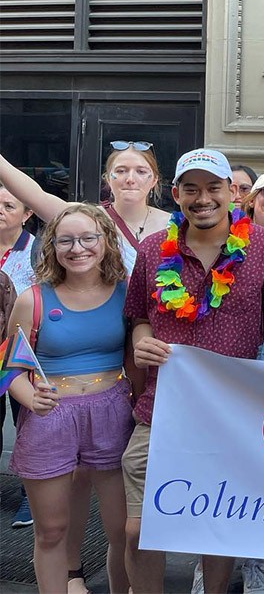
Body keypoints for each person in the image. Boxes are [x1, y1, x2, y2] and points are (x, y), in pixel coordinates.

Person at [123, 148, 264, 594]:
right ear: (175, 194)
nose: (203, 199)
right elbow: (139, 315)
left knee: (217, 523)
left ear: (232, 193)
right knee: (138, 531)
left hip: (235, 410)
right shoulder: (150, 250)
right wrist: (143, 339)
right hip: (163, 405)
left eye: (213, 188)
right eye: (192, 189)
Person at [7, 204, 132, 594]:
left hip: (113, 411)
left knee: (123, 530)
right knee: (51, 530)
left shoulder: (127, 293)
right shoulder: (33, 299)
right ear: (53, 247)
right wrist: (29, 397)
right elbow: (8, 366)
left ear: (105, 241)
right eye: (66, 240)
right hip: (51, 417)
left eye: (87, 238)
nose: (77, 248)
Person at [0, 141, 171, 274]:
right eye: (121, 171)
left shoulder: (175, 224)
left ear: (154, 180)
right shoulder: (88, 217)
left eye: (141, 171)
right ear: (108, 178)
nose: (130, 179)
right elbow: (36, 197)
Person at [0, 183, 35, 531]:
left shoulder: (37, 251)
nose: (0, 210)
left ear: (27, 214)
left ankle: (31, 493)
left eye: (9, 205)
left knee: (26, 420)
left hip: (23, 352)